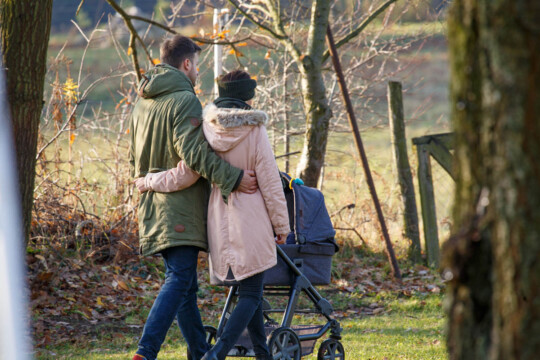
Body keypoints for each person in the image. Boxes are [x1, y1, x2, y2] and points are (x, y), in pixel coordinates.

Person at [135, 70, 290, 360]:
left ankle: (263, 354)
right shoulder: (255, 130)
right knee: (252, 293)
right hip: (252, 219)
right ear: (248, 95)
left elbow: (186, 174)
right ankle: (216, 353)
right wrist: (282, 224)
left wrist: (148, 181)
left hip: (218, 221)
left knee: (249, 290)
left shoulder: (207, 128)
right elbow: (269, 181)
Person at [129, 36, 258, 360]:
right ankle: (145, 352)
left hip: (152, 203)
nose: (197, 72)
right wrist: (234, 178)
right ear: (187, 64)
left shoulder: (142, 102)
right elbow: (195, 155)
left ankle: (199, 352)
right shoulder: (184, 100)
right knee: (180, 278)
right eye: (196, 65)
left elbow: (135, 158)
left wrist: (147, 185)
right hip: (180, 206)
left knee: (186, 289)